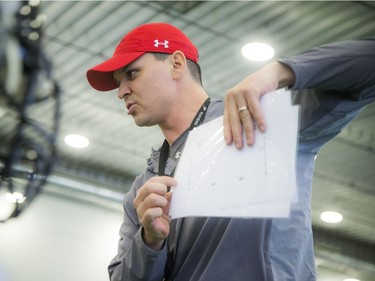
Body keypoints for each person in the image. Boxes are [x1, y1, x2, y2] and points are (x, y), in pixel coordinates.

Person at [86, 22, 375, 281]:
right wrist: (149, 242)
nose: (121, 91)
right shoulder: (144, 190)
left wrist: (279, 71)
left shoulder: (263, 120)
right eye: (118, 83)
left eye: (131, 74)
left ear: (176, 64)